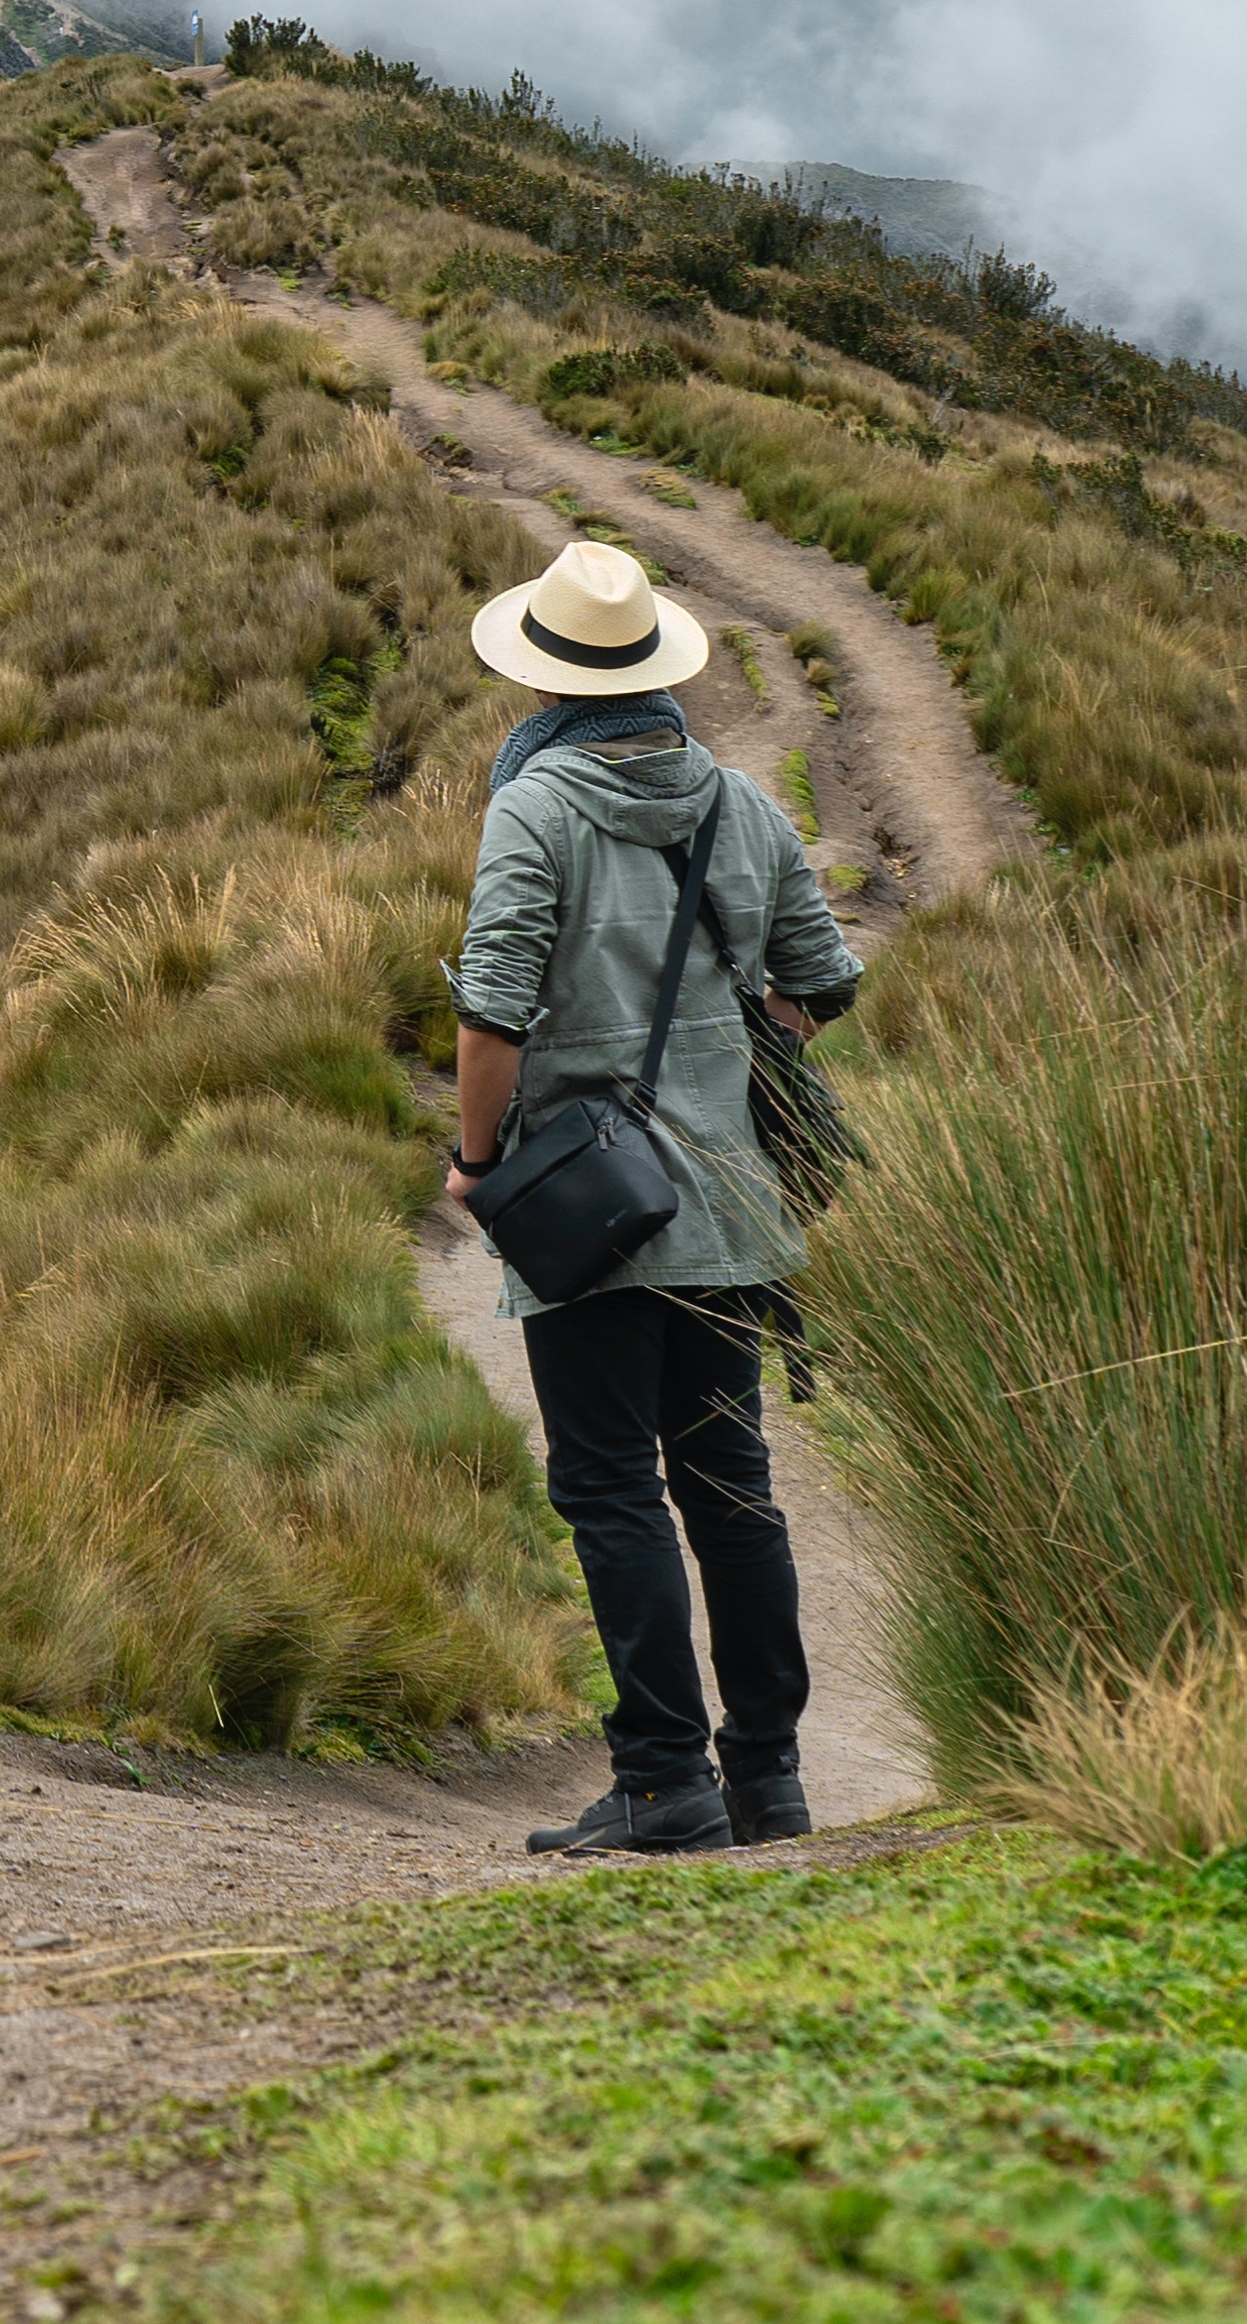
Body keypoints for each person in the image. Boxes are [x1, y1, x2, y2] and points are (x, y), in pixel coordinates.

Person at [445, 535, 862, 1857]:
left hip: (592, 1200)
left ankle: (660, 1779)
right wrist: (723, 1053)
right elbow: (822, 978)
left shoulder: (538, 804)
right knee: (730, 1485)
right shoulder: (740, 802)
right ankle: (769, 1780)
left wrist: (476, 1158)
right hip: (733, 1203)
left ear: (547, 681)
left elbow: (491, 1007)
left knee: (613, 1485)